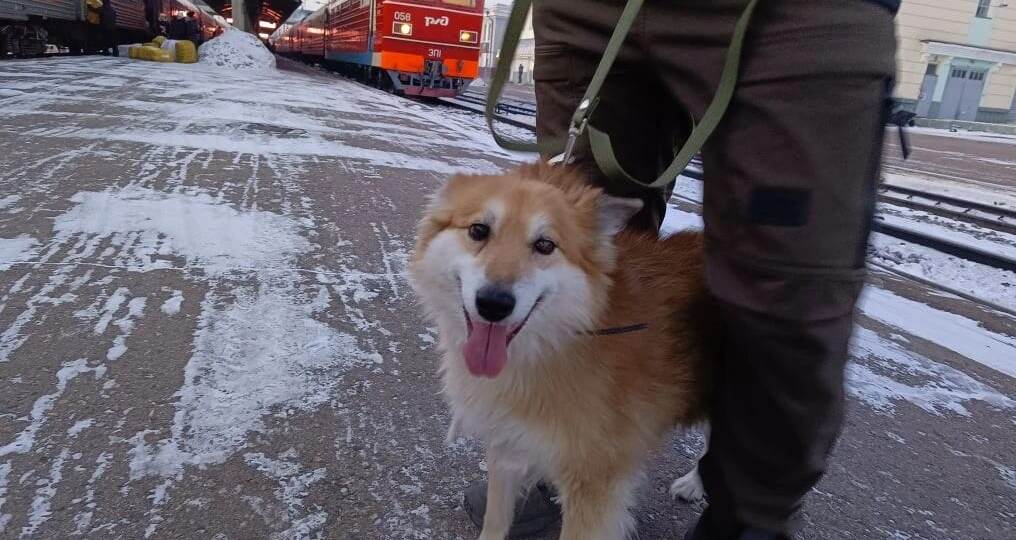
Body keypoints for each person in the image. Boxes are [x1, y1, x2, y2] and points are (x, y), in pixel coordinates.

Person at [465, 0, 899, 538]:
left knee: (789, 286)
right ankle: (569, 464)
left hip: (789, 14)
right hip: (588, 12)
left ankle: (749, 518)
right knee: (578, 247)